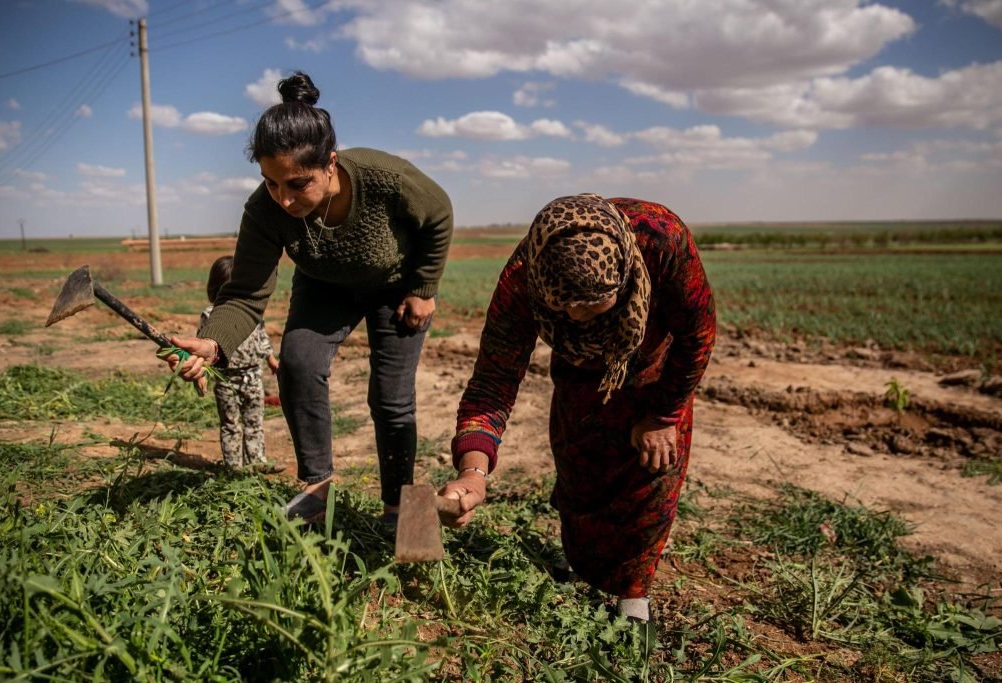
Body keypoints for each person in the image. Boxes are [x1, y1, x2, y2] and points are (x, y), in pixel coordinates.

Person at [164, 71, 453, 526]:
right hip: (324, 286)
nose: (283, 198)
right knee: (297, 364)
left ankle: (398, 506)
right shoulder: (264, 211)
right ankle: (317, 488)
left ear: (330, 164)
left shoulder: (386, 179)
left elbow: (439, 214)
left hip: (395, 284)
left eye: (297, 184)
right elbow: (243, 294)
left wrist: (423, 287)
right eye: (271, 183)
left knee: (391, 399)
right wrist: (214, 342)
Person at [440, 193, 716, 622]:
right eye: (566, 310)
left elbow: (698, 334)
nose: (581, 320)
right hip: (578, 376)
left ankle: (633, 596)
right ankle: (579, 561)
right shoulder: (523, 278)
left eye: (593, 308)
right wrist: (472, 473)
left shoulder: (661, 239)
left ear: (624, 276)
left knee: (651, 480)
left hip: (656, 372)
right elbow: (492, 384)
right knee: (579, 470)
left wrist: (664, 415)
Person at [199, 255, 282, 473]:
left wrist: (272, 361)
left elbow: (262, 337)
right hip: (225, 378)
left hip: (253, 375)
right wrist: (202, 375)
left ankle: (257, 462)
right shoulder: (210, 315)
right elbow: (202, 348)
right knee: (231, 424)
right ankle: (234, 468)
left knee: (255, 421)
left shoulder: (252, 311)